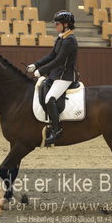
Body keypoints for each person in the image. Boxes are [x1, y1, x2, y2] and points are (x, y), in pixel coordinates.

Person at [26, 10, 78, 146]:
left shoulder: (70, 40)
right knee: (42, 87)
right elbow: (51, 56)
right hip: (56, 74)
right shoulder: (61, 38)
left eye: (57, 24)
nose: (55, 26)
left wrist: (41, 71)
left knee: (50, 98)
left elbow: (59, 60)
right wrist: (35, 64)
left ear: (66, 25)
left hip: (64, 76)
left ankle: (57, 130)